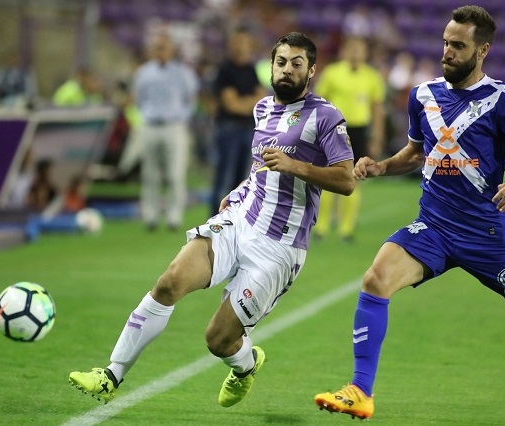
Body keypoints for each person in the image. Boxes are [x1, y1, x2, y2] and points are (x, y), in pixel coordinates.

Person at [314, 5, 505, 420]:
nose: (448, 52)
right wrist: (383, 167)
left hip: (487, 233)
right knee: (376, 279)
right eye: (445, 43)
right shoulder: (423, 96)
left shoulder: (503, 100)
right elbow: (417, 152)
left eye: (458, 46)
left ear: (483, 50)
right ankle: (360, 390)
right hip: (434, 227)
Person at [68, 32, 355, 408]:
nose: (287, 69)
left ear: (311, 70)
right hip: (240, 220)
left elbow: (346, 180)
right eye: (281, 62)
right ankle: (111, 374)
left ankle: (246, 365)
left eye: (297, 63)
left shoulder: (326, 116)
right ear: (271, 66)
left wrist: (296, 166)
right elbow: (260, 168)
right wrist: (238, 191)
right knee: (169, 282)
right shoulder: (262, 109)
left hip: (279, 247)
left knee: (218, 340)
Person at [312, 36, 386, 243]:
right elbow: (319, 103)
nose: (355, 53)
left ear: (365, 53)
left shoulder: (372, 77)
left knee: (355, 178)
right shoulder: (332, 73)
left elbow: (377, 109)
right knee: (328, 176)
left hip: (359, 130)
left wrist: (377, 137)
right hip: (335, 129)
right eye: (351, 49)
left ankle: (346, 229)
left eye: (359, 49)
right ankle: (321, 227)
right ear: (344, 51)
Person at [132, 34, 199, 231]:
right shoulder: (143, 72)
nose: (160, 52)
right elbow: (139, 98)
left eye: (164, 48)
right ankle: (150, 216)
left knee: (175, 174)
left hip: (174, 126)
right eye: (157, 48)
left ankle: (174, 217)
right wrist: (145, 115)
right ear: (152, 50)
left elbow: (191, 99)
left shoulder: (183, 73)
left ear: (171, 50)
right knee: (150, 174)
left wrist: (182, 117)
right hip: (150, 125)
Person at [209, 26, 268, 217]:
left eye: (244, 42)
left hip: (248, 129)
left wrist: (246, 102)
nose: (240, 46)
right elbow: (232, 105)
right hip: (229, 129)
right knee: (224, 178)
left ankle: (233, 221)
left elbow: (262, 99)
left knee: (241, 181)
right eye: (237, 42)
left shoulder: (251, 69)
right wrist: (251, 102)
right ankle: (215, 221)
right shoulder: (225, 70)